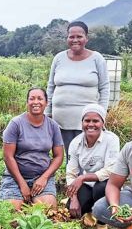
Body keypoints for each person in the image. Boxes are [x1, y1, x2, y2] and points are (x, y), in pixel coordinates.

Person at [45, 20, 110, 159]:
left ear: (86, 38)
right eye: (71, 36)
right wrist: (48, 112)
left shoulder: (96, 58)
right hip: (61, 118)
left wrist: (101, 114)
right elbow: (50, 86)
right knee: (69, 155)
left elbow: (104, 88)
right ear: (67, 38)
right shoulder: (59, 58)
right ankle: (72, 180)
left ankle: (88, 180)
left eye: (79, 36)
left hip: (88, 119)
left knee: (88, 155)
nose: (75, 40)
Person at [0, 88, 64, 210]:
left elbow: (59, 156)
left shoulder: (53, 126)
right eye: (32, 98)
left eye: (40, 98)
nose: (36, 102)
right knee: (10, 214)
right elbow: (8, 156)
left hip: (42, 176)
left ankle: (34, 199)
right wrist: (22, 183)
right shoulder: (16, 124)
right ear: (27, 102)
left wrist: (44, 178)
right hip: (16, 176)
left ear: (46, 102)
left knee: (47, 210)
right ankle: (21, 199)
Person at [65, 103, 120, 229]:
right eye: (87, 120)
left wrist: (83, 177)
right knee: (71, 210)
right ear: (82, 123)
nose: (91, 124)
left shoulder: (111, 140)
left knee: (100, 188)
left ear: (102, 123)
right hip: (87, 184)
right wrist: (75, 198)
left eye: (95, 121)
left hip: (106, 183)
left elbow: (111, 170)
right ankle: (89, 212)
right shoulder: (75, 143)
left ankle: (102, 223)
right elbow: (71, 174)